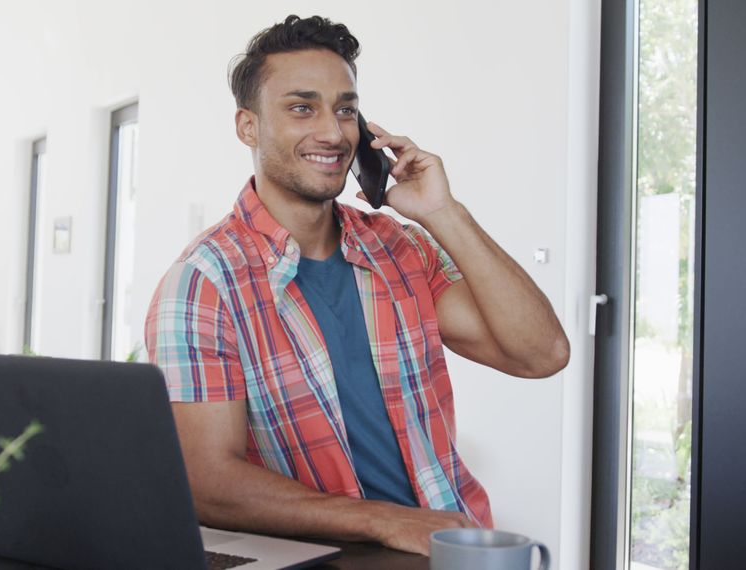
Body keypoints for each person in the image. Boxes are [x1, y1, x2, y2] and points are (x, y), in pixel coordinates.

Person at [145, 15, 569, 556]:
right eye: (303, 108)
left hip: (450, 546)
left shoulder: (399, 247)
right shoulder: (203, 284)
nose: (333, 131)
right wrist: (383, 521)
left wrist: (443, 211)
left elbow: (542, 353)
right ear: (247, 127)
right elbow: (208, 484)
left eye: (345, 109)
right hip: (329, 558)